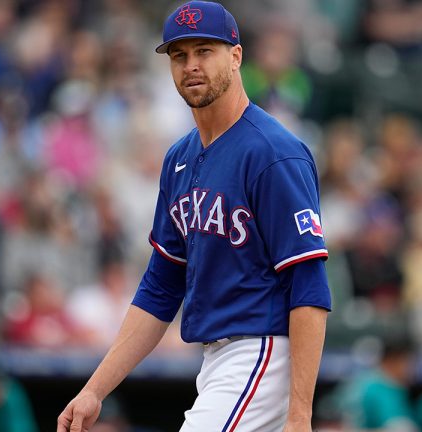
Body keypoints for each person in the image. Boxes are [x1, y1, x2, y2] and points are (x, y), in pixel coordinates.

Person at [57, 2, 331, 431]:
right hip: (216, 361)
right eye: (179, 55)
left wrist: (300, 412)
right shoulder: (179, 158)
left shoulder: (273, 153)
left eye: (205, 50)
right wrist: (95, 389)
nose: (191, 66)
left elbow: (310, 285)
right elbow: (161, 287)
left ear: (236, 56)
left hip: (264, 352)